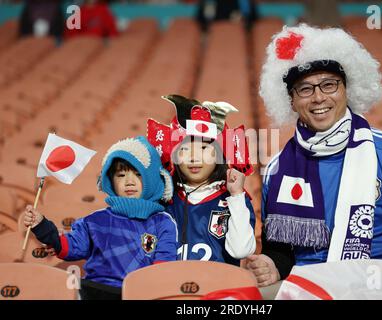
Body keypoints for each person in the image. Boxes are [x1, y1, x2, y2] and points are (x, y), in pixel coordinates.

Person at [246, 24, 382, 287]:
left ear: (346, 89)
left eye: (329, 85)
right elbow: (280, 252)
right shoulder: (277, 168)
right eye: (305, 89)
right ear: (291, 100)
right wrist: (272, 265)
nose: (318, 98)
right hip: (309, 287)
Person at [23, 136, 177, 299]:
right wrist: (42, 226)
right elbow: (68, 247)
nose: (129, 182)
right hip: (96, 291)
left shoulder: (163, 222)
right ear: (110, 181)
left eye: (138, 174)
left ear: (152, 179)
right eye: (121, 175)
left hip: (140, 293)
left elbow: (163, 267)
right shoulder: (94, 221)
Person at [147, 94, 256, 266]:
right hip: (169, 287)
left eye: (204, 148)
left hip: (218, 289)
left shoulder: (235, 200)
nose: (194, 157)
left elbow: (241, 250)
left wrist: (236, 196)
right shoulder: (164, 199)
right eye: (185, 148)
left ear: (220, 154)